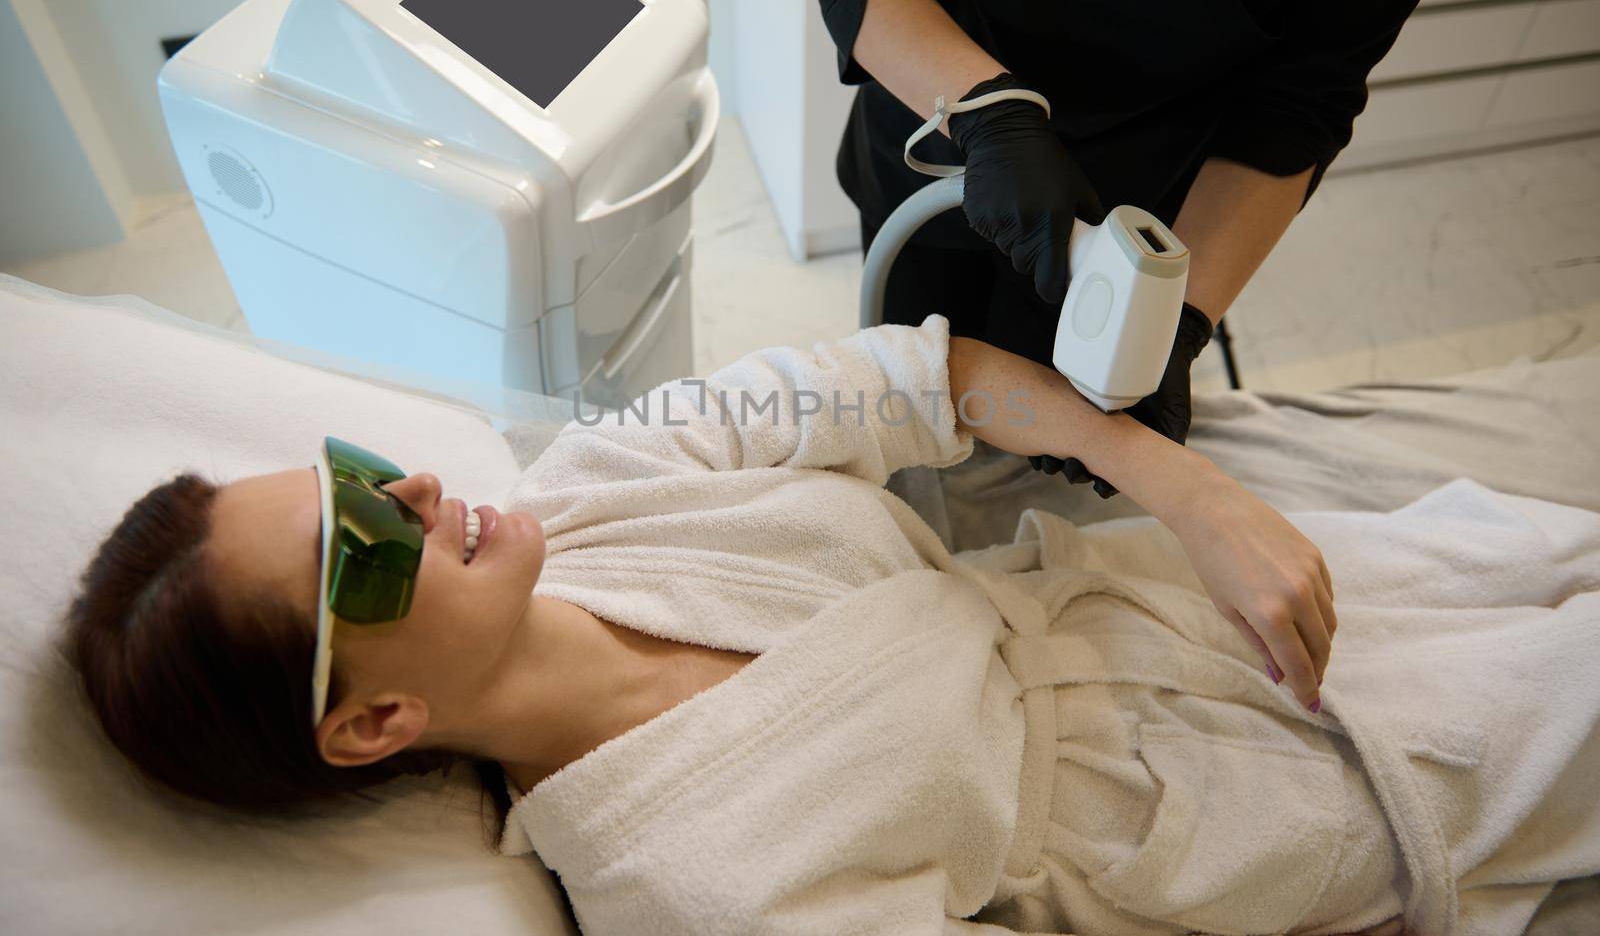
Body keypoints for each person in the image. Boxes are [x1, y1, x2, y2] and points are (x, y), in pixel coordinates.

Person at [66, 317, 1599, 934]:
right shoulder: (688, 883)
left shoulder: (602, 483)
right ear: (373, 722)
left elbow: (911, 379)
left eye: (354, 471)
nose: (408, 487)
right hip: (1216, 822)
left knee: (1541, 556)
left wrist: (1182, 484)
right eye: (358, 539)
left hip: (1171, 590)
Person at [811, 0, 1471, 492]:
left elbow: (1302, 101)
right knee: (914, 409)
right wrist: (989, 115)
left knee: (1045, 453)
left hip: (1138, 198)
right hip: (941, 106)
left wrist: (1179, 323)